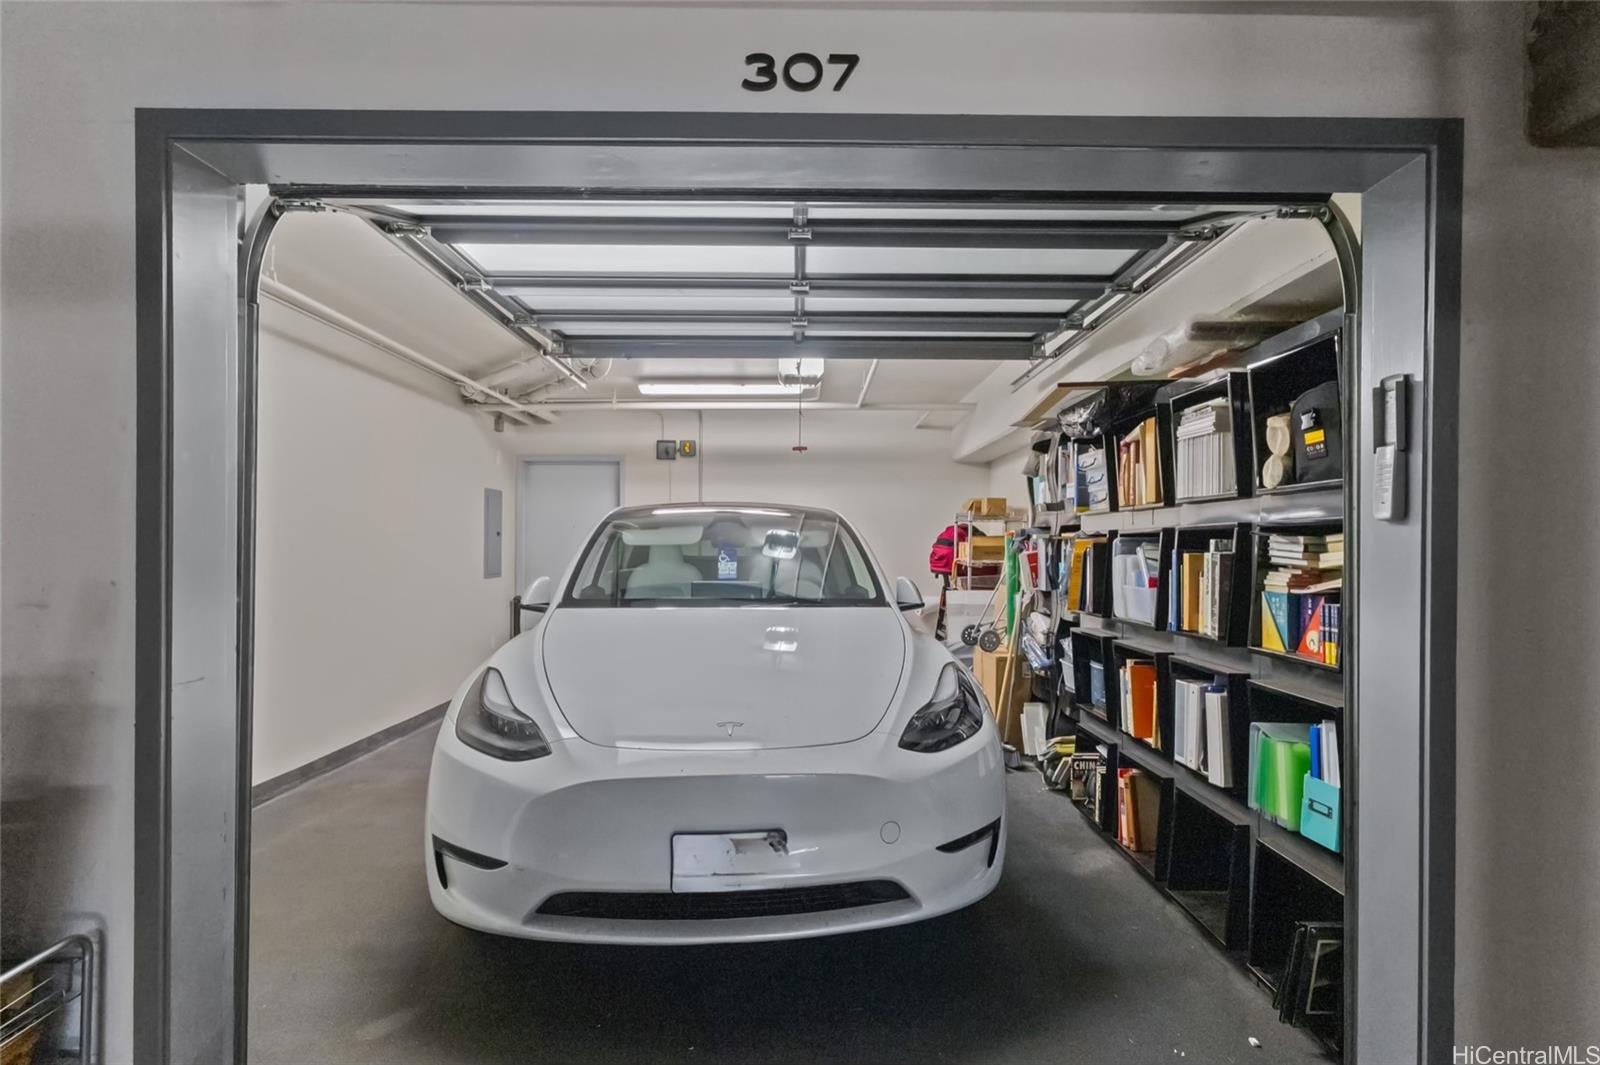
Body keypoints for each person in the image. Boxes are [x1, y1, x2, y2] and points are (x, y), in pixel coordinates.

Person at [928, 521, 970, 640]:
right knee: (953, 591)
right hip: (950, 567)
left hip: (941, 565)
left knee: (948, 590)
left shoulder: (950, 532)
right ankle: (948, 633)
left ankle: (941, 633)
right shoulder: (964, 534)